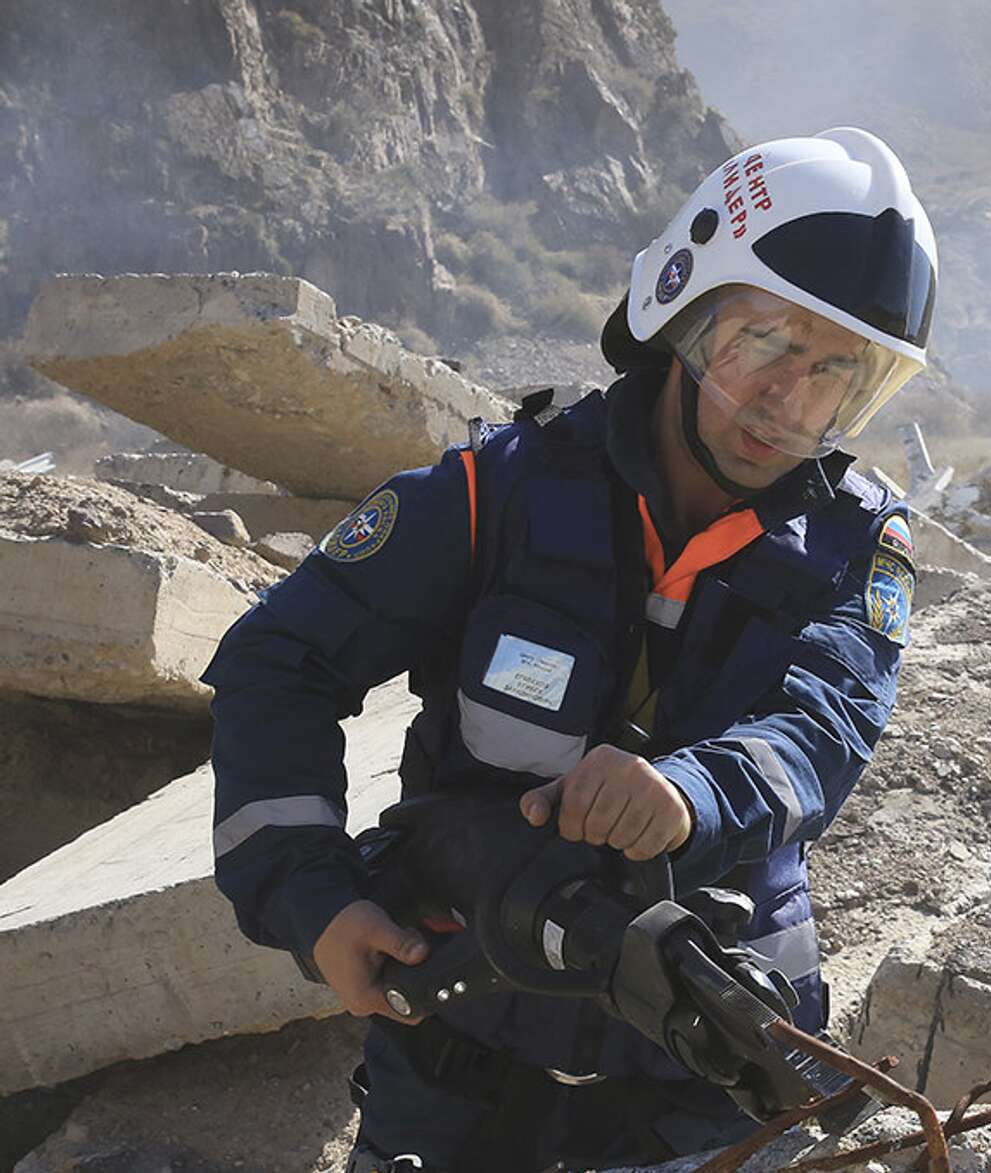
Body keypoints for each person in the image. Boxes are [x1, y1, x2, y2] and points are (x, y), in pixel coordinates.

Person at [206, 127, 936, 1172]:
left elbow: (827, 722)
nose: (790, 407)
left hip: (709, 1072)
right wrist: (314, 899)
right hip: (457, 1050)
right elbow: (277, 664)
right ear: (682, 314)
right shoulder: (488, 495)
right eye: (764, 348)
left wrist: (690, 792)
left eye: (835, 374)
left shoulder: (859, 546)